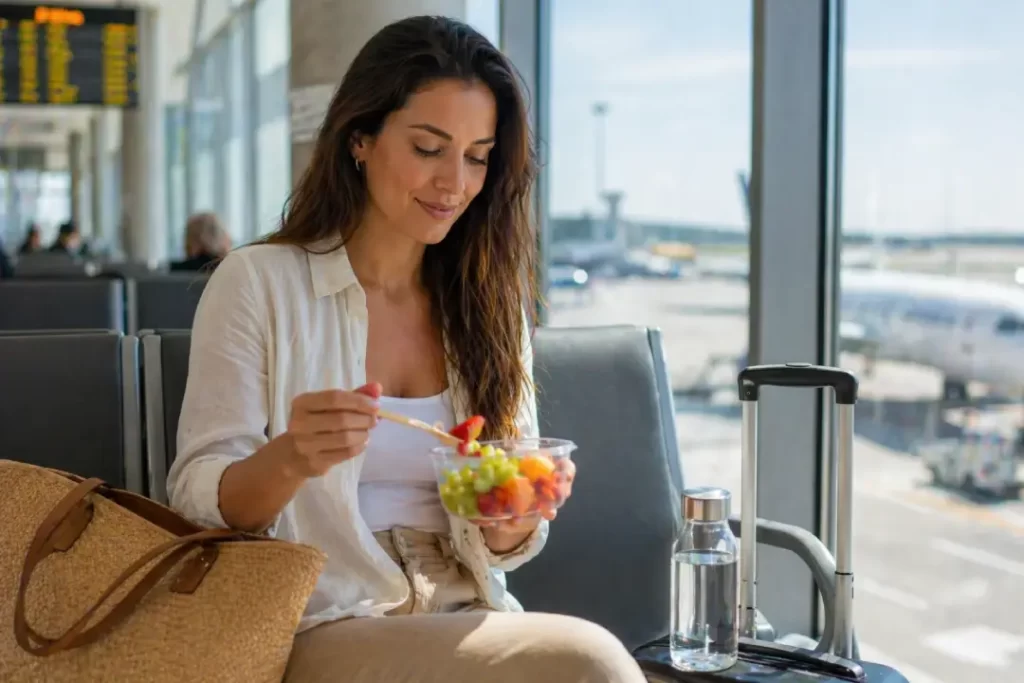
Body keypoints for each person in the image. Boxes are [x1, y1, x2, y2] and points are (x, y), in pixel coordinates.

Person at [167, 15, 645, 683]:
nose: (455, 181)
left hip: (465, 606)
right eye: (428, 147)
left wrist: (511, 510)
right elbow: (196, 499)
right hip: (322, 616)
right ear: (360, 139)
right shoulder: (258, 283)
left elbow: (502, 545)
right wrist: (291, 456)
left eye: (478, 156)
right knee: (592, 664)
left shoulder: (489, 304)